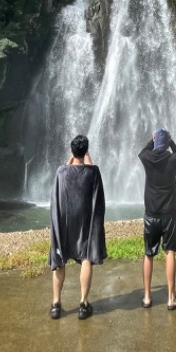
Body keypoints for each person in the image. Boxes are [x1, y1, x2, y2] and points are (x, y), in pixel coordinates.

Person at [48, 134, 106, 320]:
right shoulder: (93, 172)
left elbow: (67, 166)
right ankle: (83, 303)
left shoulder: (61, 172)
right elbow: (88, 166)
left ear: (72, 151)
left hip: (65, 221)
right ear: (85, 150)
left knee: (60, 258)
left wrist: (73, 155)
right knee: (86, 257)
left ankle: (56, 304)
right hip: (85, 221)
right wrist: (84, 155)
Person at [138, 128, 176, 310]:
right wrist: (170, 141)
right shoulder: (173, 159)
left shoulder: (147, 159)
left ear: (156, 143)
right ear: (167, 145)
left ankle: (147, 297)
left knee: (149, 254)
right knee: (170, 252)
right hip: (169, 214)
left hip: (151, 214)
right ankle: (171, 298)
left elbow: (142, 152)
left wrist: (152, 140)